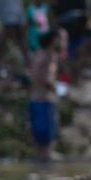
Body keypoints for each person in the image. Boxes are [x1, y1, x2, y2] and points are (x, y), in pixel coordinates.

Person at [27, 21, 64, 160]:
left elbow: (33, 76)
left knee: (38, 144)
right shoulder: (50, 57)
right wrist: (57, 90)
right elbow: (47, 79)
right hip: (45, 101)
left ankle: (38, 174)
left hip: (34, 100)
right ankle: (45, 175)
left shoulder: (37, 54)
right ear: (53, 40)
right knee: (47, 145)